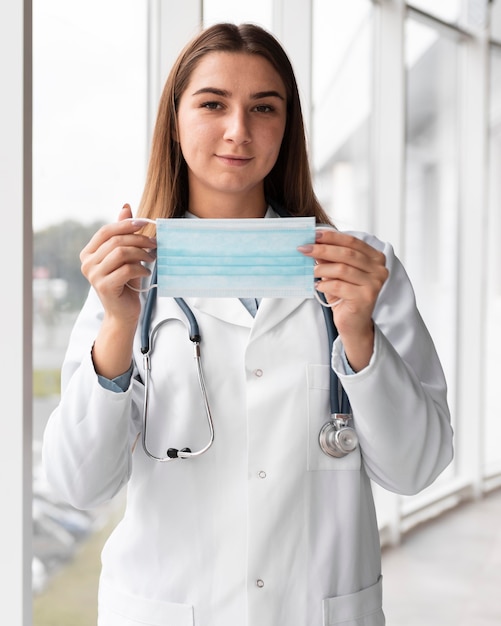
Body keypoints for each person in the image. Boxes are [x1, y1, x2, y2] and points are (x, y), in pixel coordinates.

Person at [42, 22, 453, 626]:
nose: (239, 130)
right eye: (213, 104)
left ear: (287, 127)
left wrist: (360, 335)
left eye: (264, 107)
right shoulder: (130, 276)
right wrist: (118, 328)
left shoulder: (358, 268)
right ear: (175, 119)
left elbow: (415, 468)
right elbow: (78, 484)